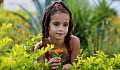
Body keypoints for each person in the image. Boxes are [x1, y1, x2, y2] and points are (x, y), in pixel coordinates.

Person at [34, 1, 80, 70]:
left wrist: (69, 66)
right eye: (56, 24)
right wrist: (48, 68)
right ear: (48, 26)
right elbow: (41, 68)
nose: (61, 29)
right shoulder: (40, 48)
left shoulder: (73, 42)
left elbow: (77, 67)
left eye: (65, 25)